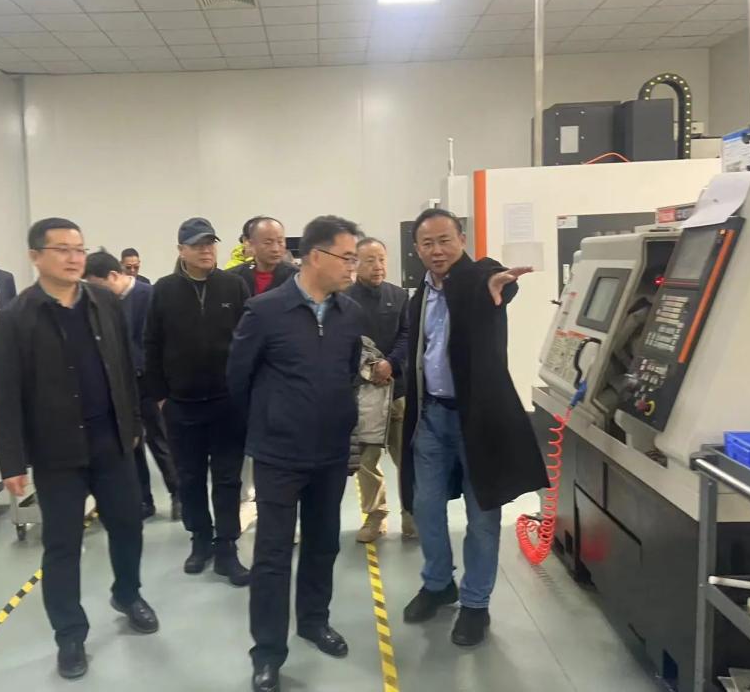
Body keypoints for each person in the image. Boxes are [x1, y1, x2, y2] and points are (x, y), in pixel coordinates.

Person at [0, 218, 158, 681]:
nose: (73, 258)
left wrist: (134, 424)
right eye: (62, 249)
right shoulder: (17, 317)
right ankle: (69, 634)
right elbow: (6, 394)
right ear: (35, 256)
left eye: (79, 249)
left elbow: (124, 367)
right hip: (57, 452)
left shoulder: (104, 302)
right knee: (62, 545)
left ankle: (127, 593)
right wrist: (12, 460)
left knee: (128, 525)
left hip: (112, 443)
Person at [227, 215, 364, 692]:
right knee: (272, 555)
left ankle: (313, 621)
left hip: (330, 453)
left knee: (324, 544)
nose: (353, 267)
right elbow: (238, 379)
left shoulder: (349, 314)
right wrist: (271, 423)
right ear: (315, 256)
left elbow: (348, 371)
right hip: (279, 455)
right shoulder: (264, 311)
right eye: (347, 258)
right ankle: (267, 652)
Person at [400, 208, 546, 647]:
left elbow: (490, 278)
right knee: (425, 506)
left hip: (476, 421)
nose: (437, 250)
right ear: (417, 249)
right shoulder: (420, 295)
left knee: (482, 515)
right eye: (427, 243)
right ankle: (437, 583)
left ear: (462, 240)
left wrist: (498, 281)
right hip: (431, 417)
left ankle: (476, 604)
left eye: (445, 240)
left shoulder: (478, 280)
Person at [144, 217, 252, 587]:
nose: (206, 250)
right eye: (197, 245)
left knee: (227, 479)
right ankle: (200, 539)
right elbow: (151, 344)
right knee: (189, 478)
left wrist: (244, 391)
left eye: (210, 243)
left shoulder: (234, 286)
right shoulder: (164, 290)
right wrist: (161, 397)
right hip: (182, 405)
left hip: (227, 405)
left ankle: (227, 547)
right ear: (181, 251)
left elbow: (248, 340)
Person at [84, 248, 180, 522]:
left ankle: (178, 494)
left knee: (160, 442)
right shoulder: (103, 304)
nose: (94, 293)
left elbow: (153, 344)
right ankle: (143, 500)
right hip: (122, 387)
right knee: (131, 443)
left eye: (97, 286)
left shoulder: (148, 296)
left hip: (149, 383)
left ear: (114, 276)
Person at [345, 237, 413, 543]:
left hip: (397, 389)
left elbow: (407, 335)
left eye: (382, 259)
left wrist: (390, 364)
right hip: (363, 393)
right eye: (370, 260)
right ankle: (375, 516)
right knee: (367, 459)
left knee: (406, 456)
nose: (378, 266)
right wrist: (368, 369)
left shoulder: (398, 296)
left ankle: (411, 515)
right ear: (355, 263)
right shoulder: (343, 299)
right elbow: (343, 341)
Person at [230, 217, 297, 297]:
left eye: (280, 242)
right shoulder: (233, 278)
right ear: (250, 244)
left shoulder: (296, 277)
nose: (275, 249)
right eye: (267, 243)